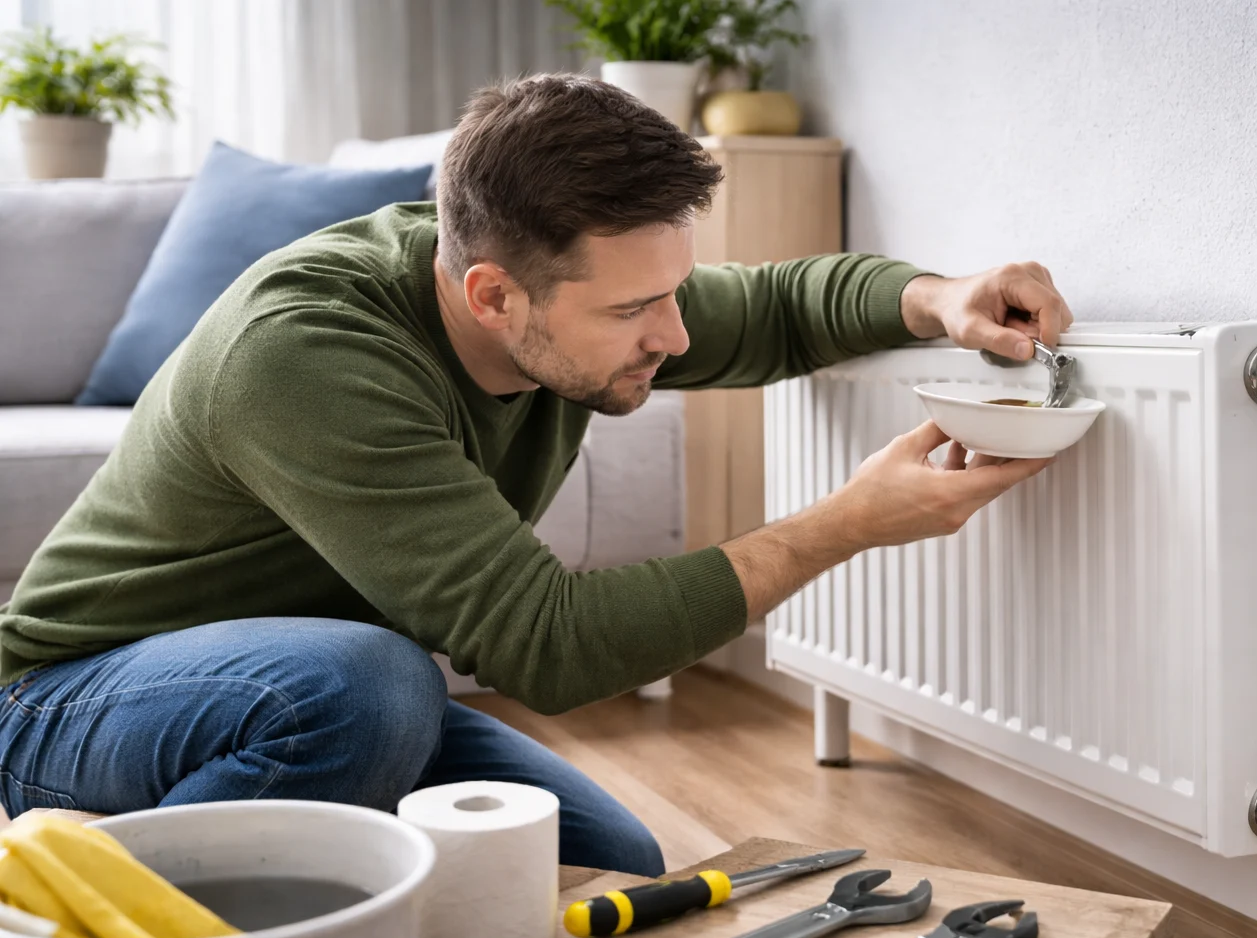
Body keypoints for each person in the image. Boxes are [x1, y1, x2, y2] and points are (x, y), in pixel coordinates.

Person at [0, 73, 1072, 876]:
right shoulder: (305, 352)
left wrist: (944, 296)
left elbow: (788, 304)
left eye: (673, 291)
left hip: (298, 694)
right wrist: (841, 525)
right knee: (371, 685)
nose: (675, 334)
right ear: (492, 295)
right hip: (71, 702)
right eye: (630, 312)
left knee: (608, 867)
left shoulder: (569, 288)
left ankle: (315, 871)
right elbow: (547, 646)